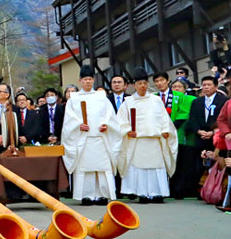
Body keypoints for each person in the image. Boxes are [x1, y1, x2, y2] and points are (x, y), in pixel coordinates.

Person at [61, 65, 122, 205]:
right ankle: (86, 195)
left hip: (100, 138)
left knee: (101, 168)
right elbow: (69, 121)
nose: (88, 82)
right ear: (80, 81)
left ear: (93, 80)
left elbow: (110, 115)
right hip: (83, 139)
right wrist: (78, 126)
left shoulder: (101, 97)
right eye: (85, 79)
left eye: (90, 79)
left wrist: (106, 124)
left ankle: (103, 194)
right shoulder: (73, 99)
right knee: (85, 168)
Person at [117, 68, 178, 204]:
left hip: (155, 140)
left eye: (145, 83)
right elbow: (120, 122)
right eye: (139, 83)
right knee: (139, 167)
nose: (143, 86)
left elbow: (164, 119)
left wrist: (166, 130)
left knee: (156, 167)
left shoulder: (156, 100)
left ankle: (158, 193)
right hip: (138, 141)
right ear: (134, 85)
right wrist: (128, 131)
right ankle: (142, 193)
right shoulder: (128, 102)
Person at [186, 76, 229, 196]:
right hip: (200, 137)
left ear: (215, 86)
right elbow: (192, 119)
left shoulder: (224, 100)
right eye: (204, 85)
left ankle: (217, 189)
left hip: (217, 137)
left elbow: (225, 120)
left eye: (209, 85)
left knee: (217, 163)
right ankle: (202, 190)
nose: (206, 87)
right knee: (199, 164)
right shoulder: (196, 101)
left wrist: (214, 132)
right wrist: (198, 131)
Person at [168, 79, 197, 199]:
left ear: (185, 89)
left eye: (179, 87)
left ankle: (183, 189)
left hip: (184, 136)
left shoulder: (190, 99)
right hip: (168, 136)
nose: (176, 88)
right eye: (174, 86)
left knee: (184, 164)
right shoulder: (167, 100)